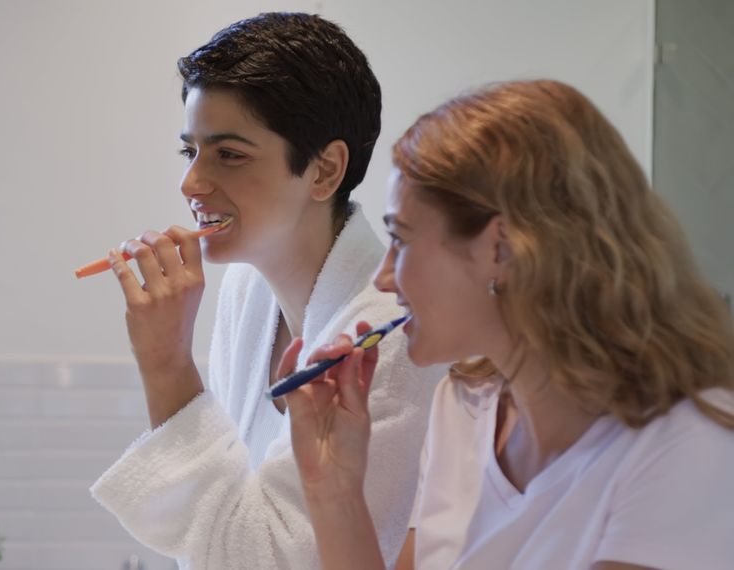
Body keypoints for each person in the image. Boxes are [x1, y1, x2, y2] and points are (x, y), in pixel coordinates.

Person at [283, 79, 734, 569]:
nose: (384, 276)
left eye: (401, 239)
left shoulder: (691, 445)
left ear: (501, 248)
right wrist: (333, 487)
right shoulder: (463, 406)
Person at [89, 12, 445, 569]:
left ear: (325, 171)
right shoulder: (246, 289)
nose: (191, 183)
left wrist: (165, 362)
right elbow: (226, 514)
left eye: (228, 154)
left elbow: (270, 559)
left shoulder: (386, 339)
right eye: (191, 151)